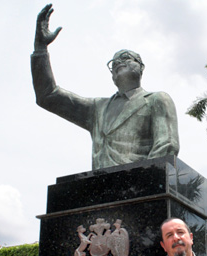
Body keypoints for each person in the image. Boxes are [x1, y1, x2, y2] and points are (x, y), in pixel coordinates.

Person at [31, 4, 180, 170]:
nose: (118, 63)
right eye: (114, 63)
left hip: (138, 188)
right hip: (100, 187)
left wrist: (142, 183)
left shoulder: (157, 99)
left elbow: (166, 145)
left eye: (125, 58)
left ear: (141, 67)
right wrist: (40, 49)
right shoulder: (97, 109)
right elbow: (48, 96)